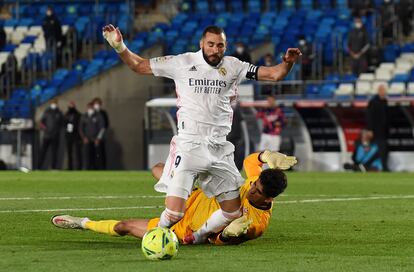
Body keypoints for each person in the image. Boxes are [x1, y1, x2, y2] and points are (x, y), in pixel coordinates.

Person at [102, 23, 301, 243]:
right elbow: (138, 65)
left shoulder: (234, 66)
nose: (216, 49)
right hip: (190, 144)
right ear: (202, 44)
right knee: (175, 213)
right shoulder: (182, 62)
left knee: (233, 213)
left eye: (221, 45)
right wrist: (119, 45)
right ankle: (157, 237)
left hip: (219, 148)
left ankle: (195, 238)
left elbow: (274, 75)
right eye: (211, 44)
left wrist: (287, 63)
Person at [51, 151, 296, 245]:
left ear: (269, 199)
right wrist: (266, 156)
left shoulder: (257, 223)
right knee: (158, 168)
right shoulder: (256, 182)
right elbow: (250, 163)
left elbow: (218, 240)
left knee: (125, 226)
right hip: (194, 198)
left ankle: (82, 223)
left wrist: (229, 236)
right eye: (255, 186)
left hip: (183, 231)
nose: (252, 190)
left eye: (257, 192)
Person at [366, 84, 389, 171]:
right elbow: (369, 117)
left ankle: (368, 164)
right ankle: (384, 167)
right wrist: (370, 129)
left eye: (384, 91)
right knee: (381, 149)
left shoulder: (385, 101)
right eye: (382, 91)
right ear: (379, 91)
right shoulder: (373, 102)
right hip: (376, 130)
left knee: (382, 149)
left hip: (384, 131)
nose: (384, 93)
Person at [79, 102, 106, 170]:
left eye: (91, 107)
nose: (90, 109)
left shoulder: (98, 116)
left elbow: (102, 128)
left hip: (96, 140)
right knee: (86, 156)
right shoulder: (84, 116)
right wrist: (84, 138)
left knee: (97, 156)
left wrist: (98, 138)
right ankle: (86, 169)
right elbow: (80, 128)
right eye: (89, 107)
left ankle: (97, 169)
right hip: (87, 140)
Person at [38, 99, 63, 169]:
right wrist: (45, 128)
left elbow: (62, 124)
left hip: (55, 136)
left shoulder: (59, 113)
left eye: (55, 103)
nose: (54, 104)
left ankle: (54, 167)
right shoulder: (47, 112)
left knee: (54, 153)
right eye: (53, 103)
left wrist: (57, 131)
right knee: (43, 152)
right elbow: (41, 123)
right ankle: (39, 167)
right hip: (47, 135)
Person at [64, 101, 82, 170]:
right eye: (70, 105)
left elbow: (80, 124)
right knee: (69, 152)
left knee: (78, 152)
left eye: (72, 105)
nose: (71, 107)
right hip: (69, 135)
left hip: (76, 135)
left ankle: (79, 167)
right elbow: (64, 123)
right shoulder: (66, 114)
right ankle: (70, 167)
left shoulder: (78, 114)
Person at [92, 97, 109, 169]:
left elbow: (105, 126)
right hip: (92, 137)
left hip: (101, 137)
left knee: (101, 153)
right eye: (95, 103)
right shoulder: (92, 113)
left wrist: (99, 137)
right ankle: (94, 167)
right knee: (93, 154)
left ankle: (102, 167)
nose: (96, 105)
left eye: (98, 103)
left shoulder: (103, 113)